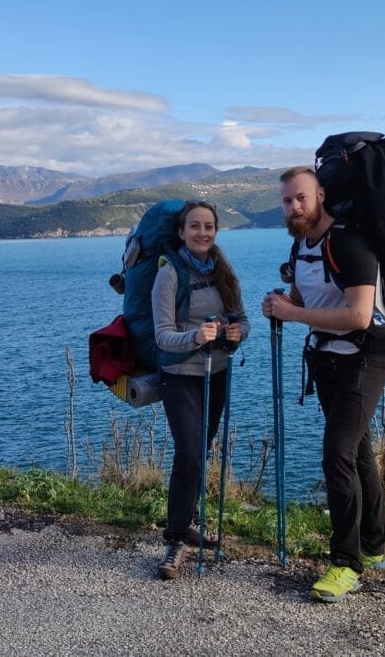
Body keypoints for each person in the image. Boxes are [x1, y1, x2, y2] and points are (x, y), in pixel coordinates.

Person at [261, 167, 385, 603]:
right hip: (327, 358)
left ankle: (345, 564)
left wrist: (294, 314)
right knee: (357, 451)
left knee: (337, 455)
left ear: (321, 195)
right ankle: (373, 546)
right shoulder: (301, 246)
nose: (294, 207)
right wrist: (280, 304)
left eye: (301, 198)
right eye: (287, 201)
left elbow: (358, 314)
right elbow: (303, 300)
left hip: (365, 354)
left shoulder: (349, 242)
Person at [151, 200, 250, 580]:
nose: (202, 233)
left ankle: (187, 521)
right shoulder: (169, 274)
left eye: (208, 226)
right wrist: (196, 336)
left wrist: (238, 332)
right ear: (181, 232)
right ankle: (174, 539)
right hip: (180, 374)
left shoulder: (224, 269)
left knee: (200, 451)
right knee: (189, 453)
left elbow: (242, 318)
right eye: (194, 226)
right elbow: (162, 335)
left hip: (217, 371)